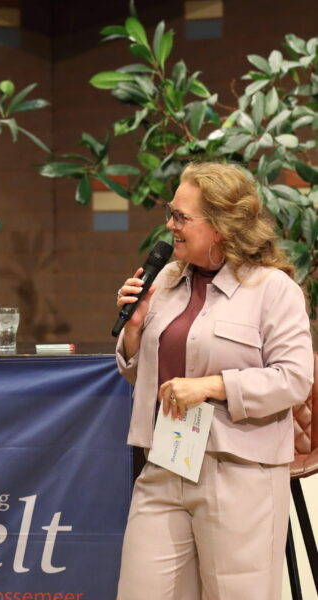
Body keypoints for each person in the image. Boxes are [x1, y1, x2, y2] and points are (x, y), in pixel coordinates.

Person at [114, 162, 314, 600]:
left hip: (239, 472)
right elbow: (138, 372)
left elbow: (294, 379)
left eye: (181, 217)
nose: (170, 226)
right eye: (171, 214)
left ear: (220, 227)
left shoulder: (272, 289)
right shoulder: (167, 279)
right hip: (165, 463)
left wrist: (212, 386)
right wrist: (134, 331)